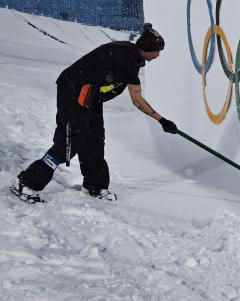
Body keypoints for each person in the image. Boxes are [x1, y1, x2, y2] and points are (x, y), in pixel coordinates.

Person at [9, 23, 178, 203]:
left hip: (91, 96)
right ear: (147, 48)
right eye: (156, 51)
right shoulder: (126, 58)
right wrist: (161, 120)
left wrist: (162, 121)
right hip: (72, 90)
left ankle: (95, 186)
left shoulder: (132, 59)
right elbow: (137, 101)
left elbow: (132, 94)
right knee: (70, 141)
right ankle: (26, 183)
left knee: (95, 139)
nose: (158, 55)